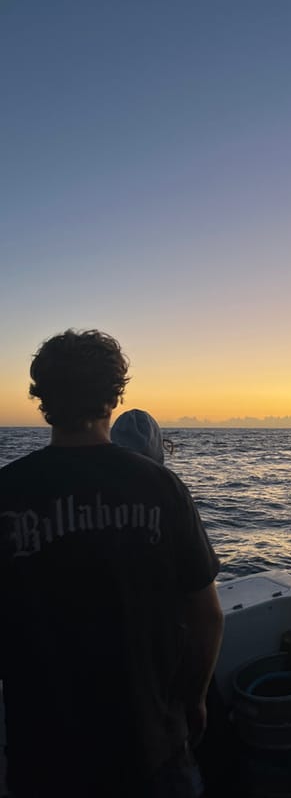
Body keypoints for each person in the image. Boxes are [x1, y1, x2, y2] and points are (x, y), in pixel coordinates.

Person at [0, 329, 223, 798]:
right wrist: (196, 700)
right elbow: (207, 616)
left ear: (42, 399)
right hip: (154, 748)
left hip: (43, 755)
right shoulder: (162, 487)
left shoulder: (7, 491)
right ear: (114, 397)